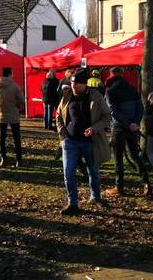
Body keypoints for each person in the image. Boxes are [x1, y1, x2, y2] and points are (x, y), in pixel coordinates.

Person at [56, 68, 111, 215]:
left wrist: (94, 128)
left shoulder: (96, 97)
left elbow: (107, 117)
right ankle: (72, 203)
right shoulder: (67, 96)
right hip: (70, 142)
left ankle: (96, 196)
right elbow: (58, 115)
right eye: (72, 83)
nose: (73, 87)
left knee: (93, 170)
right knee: (68, 173)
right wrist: (62, 134)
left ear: (84, 84)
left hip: (90, 141)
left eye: (76, 84)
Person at [104, 67, 150, 196]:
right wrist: (135, 122)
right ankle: (146, 183)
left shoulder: (109, 90)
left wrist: (128, 123)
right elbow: (140, 107)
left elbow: (112, 110)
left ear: (111, 75)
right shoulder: (132, 89)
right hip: (132, 127)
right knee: (134, 155)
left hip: (119, 127)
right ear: (122, 75)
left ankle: (119, 187)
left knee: (118, 158)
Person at [0, 67, 25, 167]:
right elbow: (22, 101)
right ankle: (19, 160)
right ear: (10, 74)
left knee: (2, 138)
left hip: (1, 114)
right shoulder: (14, 86)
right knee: (16, 138)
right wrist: (17, 107)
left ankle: (3, 159)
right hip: (13, 114)